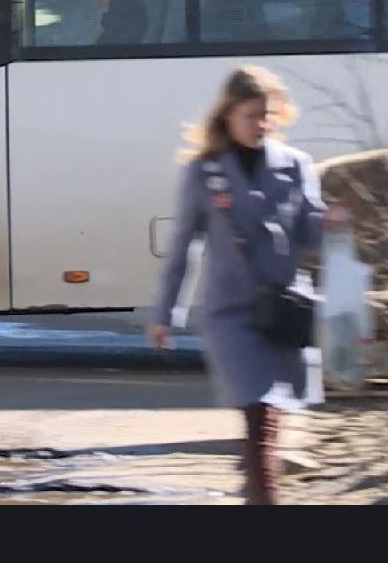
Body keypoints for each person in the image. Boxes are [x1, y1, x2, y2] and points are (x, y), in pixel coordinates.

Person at [147, 65, 347, 504]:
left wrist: (327, 224)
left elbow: (306, 240)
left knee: (267, 417)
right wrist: (165, 314)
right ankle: (263, 498)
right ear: (228, 116)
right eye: (250, 115)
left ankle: (257, 491)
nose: (260, 124)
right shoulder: (204, 173)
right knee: (259, 409)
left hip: (283, 308)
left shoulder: (295, 166)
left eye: (266, 115)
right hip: (231, 314)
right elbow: (182, 248)